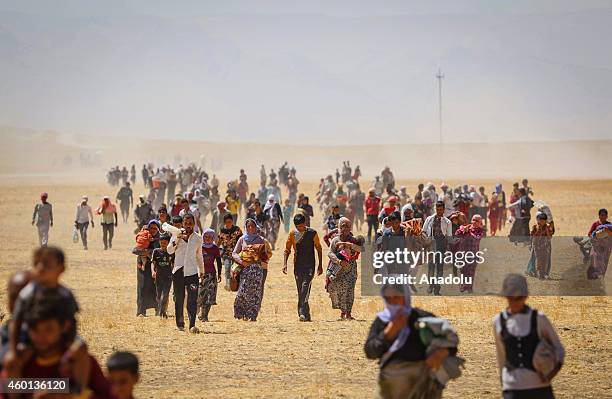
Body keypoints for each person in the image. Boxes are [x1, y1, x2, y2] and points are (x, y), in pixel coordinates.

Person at [1, 290, 113, 398]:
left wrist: (68, 392)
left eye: (48, 329)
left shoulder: (79, 361)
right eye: (34, 329)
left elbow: (107, 394)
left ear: (65, 326)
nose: (41, 336)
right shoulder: (18, 364)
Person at [364, 282, 459, 399]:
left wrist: (442, 353)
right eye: (388, 298)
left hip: (423, 380)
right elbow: (370, 352)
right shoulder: (382, 321)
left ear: (406, 296)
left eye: (397, 297)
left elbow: (451, 344)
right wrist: (389, 332)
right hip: (391, 382)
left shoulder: (422, 318)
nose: (393, 302)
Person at [4, 247, 80, 378]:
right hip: (30, 339)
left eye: (46, 264)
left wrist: (68, 347)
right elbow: (16, 322)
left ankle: (78, 389)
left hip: (59, 338)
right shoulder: (28, 292)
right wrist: (13, 350)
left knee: (81, 351)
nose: (39, 268)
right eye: (36, 263)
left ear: (61, 269)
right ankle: (16, 392)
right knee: (13, 362)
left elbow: (72, 323)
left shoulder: (65, 294)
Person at [493, 274, 564, 399]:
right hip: (512, 388)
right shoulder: (498, 321)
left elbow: (558, 348)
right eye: (511, 298)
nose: (515, 302)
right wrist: (503, 382)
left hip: (540, 388)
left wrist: (551, 373)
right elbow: (501, 356)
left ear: (525, 296)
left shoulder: (539, 319)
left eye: (518, 298)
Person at [283, 214, 324, 321]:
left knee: (305, 287)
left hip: (310, 265)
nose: (299, 228)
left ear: (305, 224)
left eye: (301, 226)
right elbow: (287, 250)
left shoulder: (312, 233)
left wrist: (320, 265)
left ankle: (301, 312)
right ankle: (306, 314)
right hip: (298, 265)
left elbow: (319, 248)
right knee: (301, 289)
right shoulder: (292, 234)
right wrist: (285, 264)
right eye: (297, 226)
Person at [167, 213, 204, 333]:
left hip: (192, 273)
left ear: (194, 224)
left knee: (192, 299)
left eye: (190, 223)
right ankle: (180, 323)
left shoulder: (198, 238)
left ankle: (192, 325)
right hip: (178, 271)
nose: (188, 226)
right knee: (179, 298)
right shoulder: (176, 235)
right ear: (183, 223)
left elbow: (199, 256)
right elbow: (169, 250)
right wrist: (177, 238)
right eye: (186, 223)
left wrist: (202, 270)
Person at [232, 219, 273, 321]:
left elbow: (268, 254)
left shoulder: (261, 240)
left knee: (255, 293)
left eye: (253, 226)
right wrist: (242, 261)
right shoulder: (242, 239)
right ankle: (240, 314)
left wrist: (259, 255)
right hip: (245, 269)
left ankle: (252, 315)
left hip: (257, 270)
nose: (251, 228)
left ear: (256, 227)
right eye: (248, 226)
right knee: (242, 292)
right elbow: (234, 253)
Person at [327, 217, 362, 320]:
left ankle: (348, 313)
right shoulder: (335, 240)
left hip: (351, 269)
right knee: (341, 291)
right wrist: (338, 261)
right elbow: (330, 253)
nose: (345, 228)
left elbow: (361, 249)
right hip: (338, 269)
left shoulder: (353, 239)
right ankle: (343, 312)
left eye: (347, 226)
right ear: (339, 227)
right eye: (343, 226)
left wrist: (349, 245)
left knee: (350, 290)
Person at [423, 201, 453, 295]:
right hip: (431, 244)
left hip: (441, 245)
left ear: (444, 210)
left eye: (440, 209)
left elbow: (449, 236)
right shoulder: (429, 219)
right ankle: (431, 286)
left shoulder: (447, 222)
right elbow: (423, 231)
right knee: (431, 267)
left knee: (440, 268)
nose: (439, 211)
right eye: (437, 209)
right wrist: (426, 240)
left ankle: (437, 289)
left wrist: (449, 247)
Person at [455, 214, 485, 293]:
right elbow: (457, 234)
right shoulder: (465, 227)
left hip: (474, 254)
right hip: (463, 253)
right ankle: (463, 286)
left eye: (477, 221)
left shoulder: (480, 231)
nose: (474, 222)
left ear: (480, 223)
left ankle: (469, 288)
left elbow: (476, 238)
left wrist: (468, 232)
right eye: (473, 220)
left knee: (471, 272)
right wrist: (463, 230)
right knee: (463, 270)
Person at [198, 229, 222, 322]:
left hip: (212, 275)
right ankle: (198, 310)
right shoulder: (199, 247)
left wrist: (219, 273)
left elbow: (219, 261)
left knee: (209, 296)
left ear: (213, 238)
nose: (207, 239)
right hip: (201, 275)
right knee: (200, 295)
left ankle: (205, 316)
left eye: (209, 237)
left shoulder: (215, 248)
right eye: (205, 236)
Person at [218, 214, 243, 290]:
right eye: (227, 222)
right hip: (226, 254)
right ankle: (228, 285)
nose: (229, 223)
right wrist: (215, 249)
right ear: (224, 222)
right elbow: (219, 241)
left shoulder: (237, 229)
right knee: (227, 268)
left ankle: (236, 285)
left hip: (236, 254)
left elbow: (241, 240)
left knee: (236, 270)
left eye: (230, 221)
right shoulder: (222, 230)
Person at [151, 233, 173, 318]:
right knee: (158, 295)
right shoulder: (156, 251)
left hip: (168, 276)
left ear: (168, 243)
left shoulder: (171, 252)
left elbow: (173, 264)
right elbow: (153, 263)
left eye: (165, 243)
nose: (163, 244)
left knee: (165, 295)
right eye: (161, 242)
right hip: (158, 276)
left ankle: (162, 311)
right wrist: (153, 271)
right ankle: (160, 309)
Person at [587, 208, 611, 279]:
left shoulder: (609, 225)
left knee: (605, 261)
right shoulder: (595, 224)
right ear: (599, 216)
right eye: (601, 215)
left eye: (604, 215)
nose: (603, 216)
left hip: (606, 247)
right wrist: (595, 237)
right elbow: (589, 233)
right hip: (596, 246)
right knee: (594, 258)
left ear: (607, 216)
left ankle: (602, 276)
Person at [530, 212, 555, 280]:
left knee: (545, 259)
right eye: (540, 220)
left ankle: (544, 273)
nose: (542, 222)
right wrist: (538, 230)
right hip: (537, 245)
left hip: (546, 245)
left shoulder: (548, 227)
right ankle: (539, 273)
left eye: (543, 221)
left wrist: (547, 229)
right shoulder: (534, 227)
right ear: (537, 220)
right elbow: (532, 236)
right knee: (539, 259)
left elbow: (550, 237)